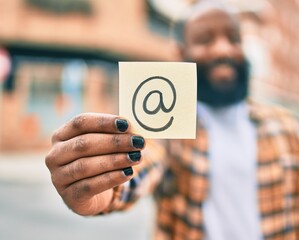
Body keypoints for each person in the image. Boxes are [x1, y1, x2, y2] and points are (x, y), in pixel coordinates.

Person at [45, 1, 299, 240]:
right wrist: (105, 189)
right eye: (205, 39)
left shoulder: (287, 128)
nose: (223, 49)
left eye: (233, 38)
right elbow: (145, 160)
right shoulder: (169, 128)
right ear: (180, 53)